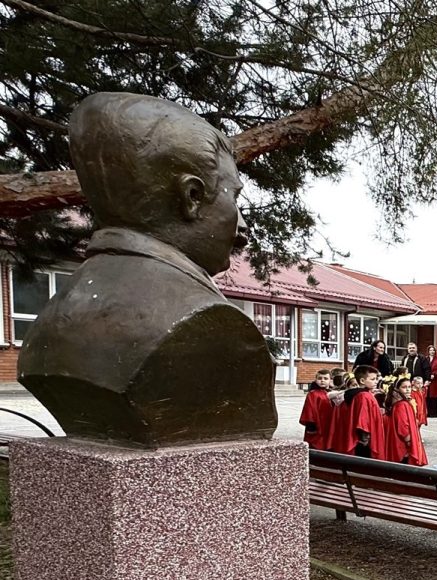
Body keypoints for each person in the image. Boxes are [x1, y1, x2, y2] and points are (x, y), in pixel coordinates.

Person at [18, 92, 277, 447]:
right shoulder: (213, 326)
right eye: (234, 198)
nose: (241, 224)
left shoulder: (49, 328)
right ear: (191, 197)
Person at [327, 364, 386, 459]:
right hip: (365, 441)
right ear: (362, 381)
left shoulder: (360, 394)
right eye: (372, 379)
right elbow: (363, 419)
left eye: (376, 379)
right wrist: (365, 439)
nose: (376, 382)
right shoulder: (364, 396)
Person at [383, 377, 428, 466]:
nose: (408, 390)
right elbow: (403, 427)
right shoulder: (402, 405)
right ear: (398, 389)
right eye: (404, 387)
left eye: (409, 387)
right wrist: (410, 443)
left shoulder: (401, 403)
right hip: (403, 446)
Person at [299, 369, 333, 449]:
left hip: (328, 424)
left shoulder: (331, 393)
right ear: (316, 379)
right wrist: (311, 425)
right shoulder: (313, 394)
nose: (322, 381)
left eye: (325, 378)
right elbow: (309, 409)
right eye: (320, 378)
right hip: (317, 426)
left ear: (330, 380)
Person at [425, 344, 437, 417]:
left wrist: (434, 374)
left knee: (435, 398)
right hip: (427, 380)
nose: (432, 351)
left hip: (435, 381)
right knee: (427, 397)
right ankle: (428, 412)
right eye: (430, 350)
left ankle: (434, 413)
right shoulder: (426, 359)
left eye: (433, 350)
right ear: (428, 351)